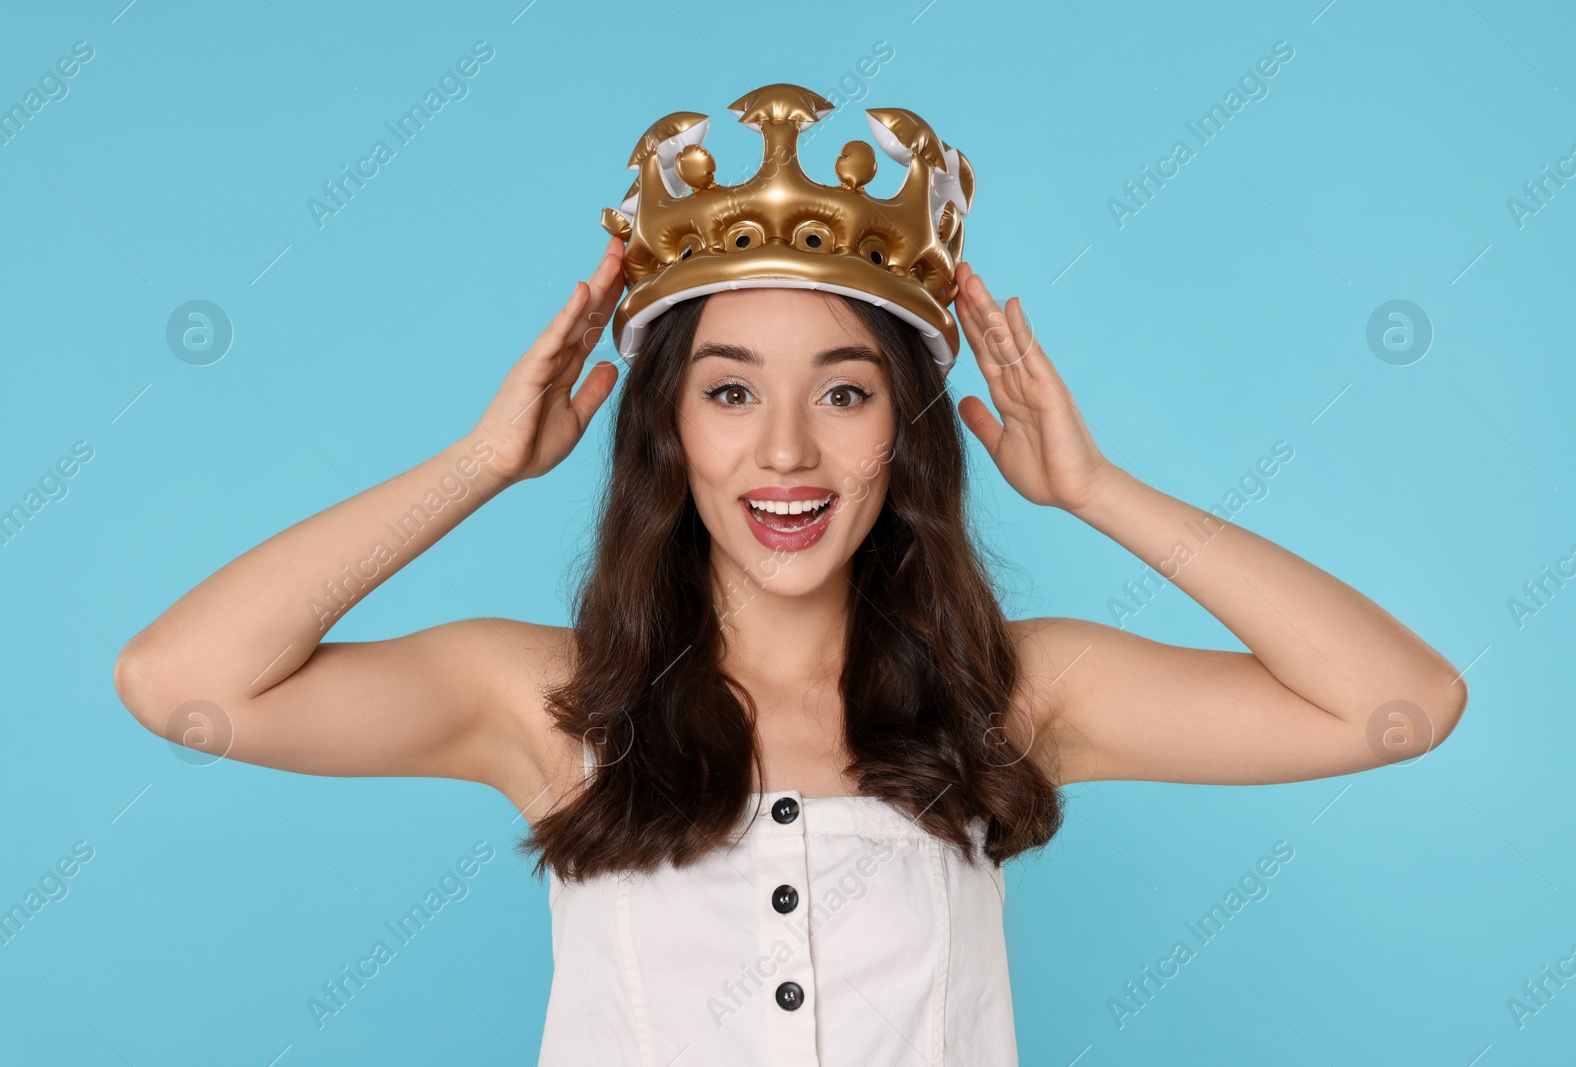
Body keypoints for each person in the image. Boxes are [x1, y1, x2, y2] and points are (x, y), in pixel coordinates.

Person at [112, 84, 1466, 1065]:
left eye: (844, 392)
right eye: (727, 389)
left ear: (904, 430)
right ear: (670, 428)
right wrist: (480, 463)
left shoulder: (1013, 695)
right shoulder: (548, 703)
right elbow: (181, 682)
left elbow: (1397, 704)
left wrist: (1097, 493)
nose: (785, 450)